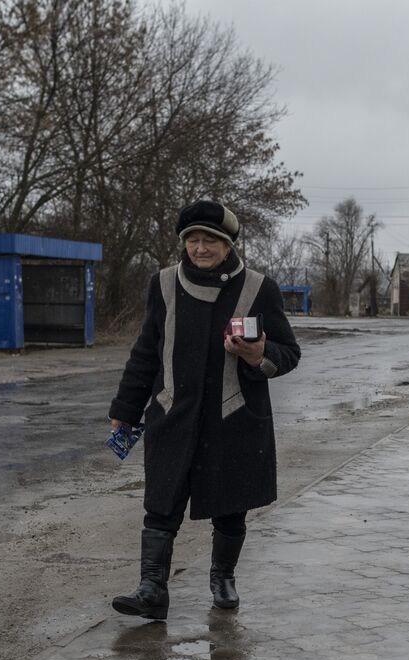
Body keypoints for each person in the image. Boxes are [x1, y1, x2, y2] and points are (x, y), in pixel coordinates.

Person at [108, 200, 301, 621]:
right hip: (173, 413)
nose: (200, 248)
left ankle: (223, 578)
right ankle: (152, 589)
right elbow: (145, 353)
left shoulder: (258, 288)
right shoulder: (161, 284)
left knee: (232, 506)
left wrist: (258, 353)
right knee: (161, 503)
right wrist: (125, 408)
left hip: (235, 417)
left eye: (210, 240)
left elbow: (289, 353)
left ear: (228, 244)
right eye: (193, 240)